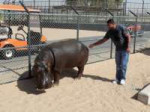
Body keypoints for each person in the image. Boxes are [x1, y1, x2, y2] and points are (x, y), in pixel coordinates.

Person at [89, 19, 131, 85]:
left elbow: (128, 36)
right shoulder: (109, 32)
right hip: (118, 50)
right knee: (118, 65)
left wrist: (128, 46)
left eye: (109, 25)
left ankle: (122, 79)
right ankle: (117, 78)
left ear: (113, 24)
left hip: (125, 50)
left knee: (123, 65)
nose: (108, 26)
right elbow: (103, 40)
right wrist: (94, 44)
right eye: (107, 25)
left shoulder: (121, 28)